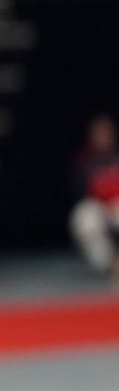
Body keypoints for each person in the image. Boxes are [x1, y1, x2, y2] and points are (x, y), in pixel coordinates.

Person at [70, 114, 119, 278]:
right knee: (84, 219)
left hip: (117, 203)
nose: (102, 136)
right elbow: (79, 190)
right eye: (98, 133)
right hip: (97, 205)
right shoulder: (84, 158)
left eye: (106, 132)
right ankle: (110, 264)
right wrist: (102, 203)